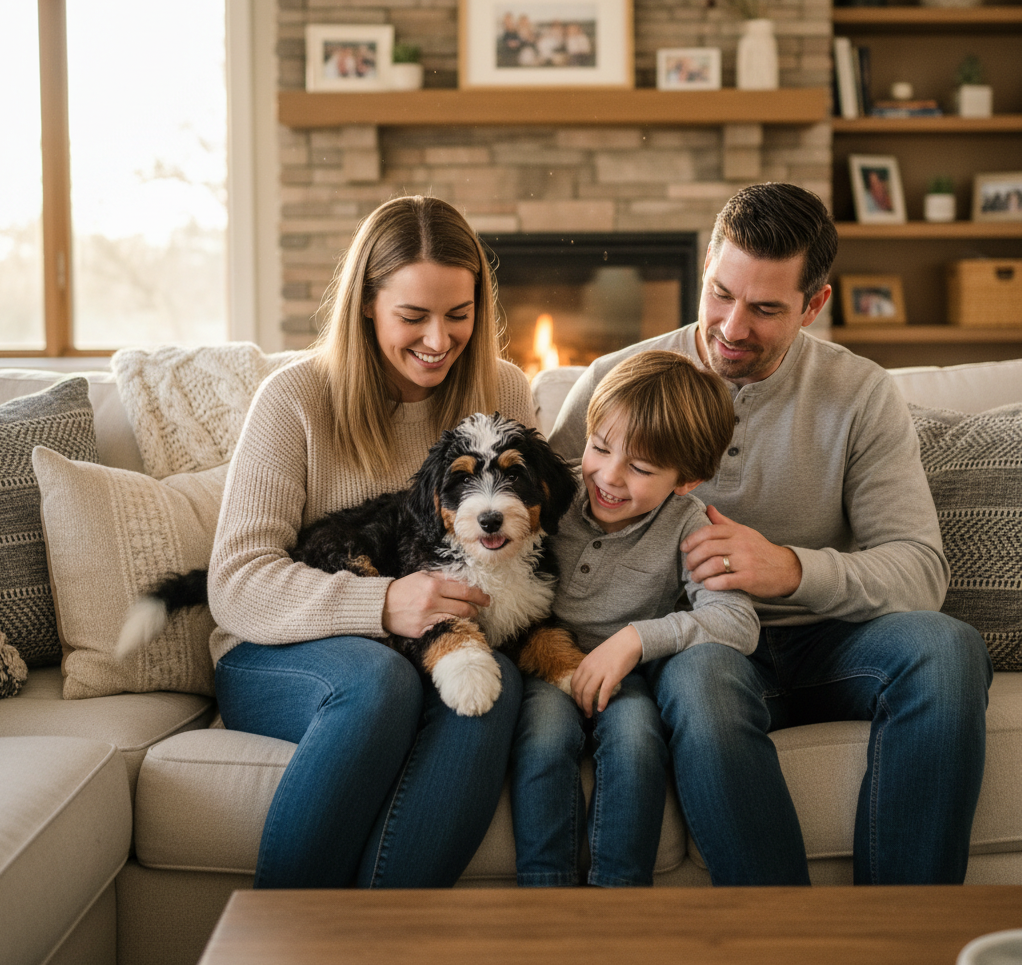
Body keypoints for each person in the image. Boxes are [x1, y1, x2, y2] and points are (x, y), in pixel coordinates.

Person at [548, 182, 993, 886]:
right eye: (720, 293)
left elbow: (919, 570)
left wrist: (788, 569)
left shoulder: (861, 394)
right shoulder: (618, 379)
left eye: (764, 308)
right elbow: (542, 519)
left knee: (947, 648)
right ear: (705, 271)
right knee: (701, 678)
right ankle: (781, 930)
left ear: (814, 305)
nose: (731, 327)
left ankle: (906, 925)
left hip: (829, 641)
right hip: (706, 643)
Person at [207, 195, 534, 889]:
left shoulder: (502, 389)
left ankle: (385, 933)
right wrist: (382, 603)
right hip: (278, 652)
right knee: (380, 680)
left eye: (459, 314)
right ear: (365, 304)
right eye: (413, 317)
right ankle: (283, 934)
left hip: (433, 644)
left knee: (494, 690)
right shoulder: (293, 399)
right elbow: (235, 582)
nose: (439, 339)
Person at [511, 350, 759, 887]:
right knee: (544, 740)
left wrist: (634, 640)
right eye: (600, 447)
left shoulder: (689, 525)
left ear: (686, 479)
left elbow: (738, 622)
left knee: (637, 743)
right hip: (545, 665)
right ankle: (543, 900)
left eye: (641, 469)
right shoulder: (550, 489)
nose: (609, 476)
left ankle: (619, 900)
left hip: (625, 679)